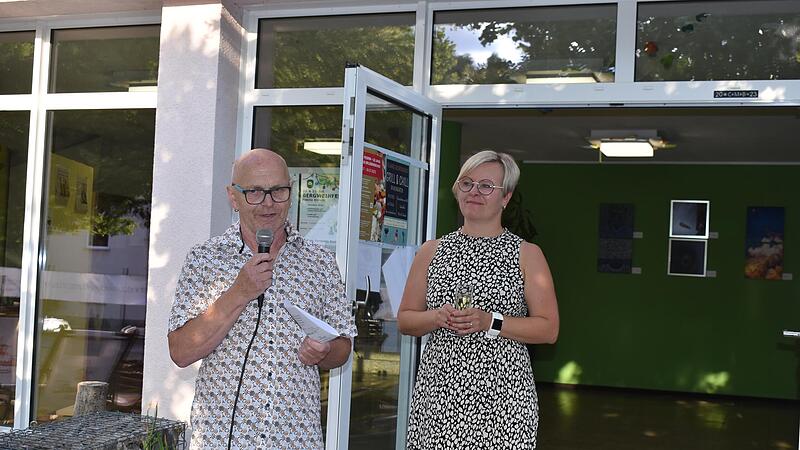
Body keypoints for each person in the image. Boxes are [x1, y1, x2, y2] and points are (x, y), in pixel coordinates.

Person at [167, 148, 356, 449]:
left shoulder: (319, 262)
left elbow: (344, 347)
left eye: (278, 191)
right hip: (222, 439)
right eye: (254, 192)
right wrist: (239, 291)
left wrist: (325, 349)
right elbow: (180, 351)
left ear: (290, 193)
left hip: (296, 438)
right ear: (234, 197)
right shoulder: (204, 260)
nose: (268, 203)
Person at [398, 150, 559, 449]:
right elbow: (406, 318)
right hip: (440, 397)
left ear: (506, 197)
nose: (474, 192)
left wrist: (490, 322)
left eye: (486, 186)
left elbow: (548, 329)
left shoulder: (527, 254)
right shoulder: (431, 251)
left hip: (504, 401)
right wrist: (436, 317)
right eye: (467, 183)